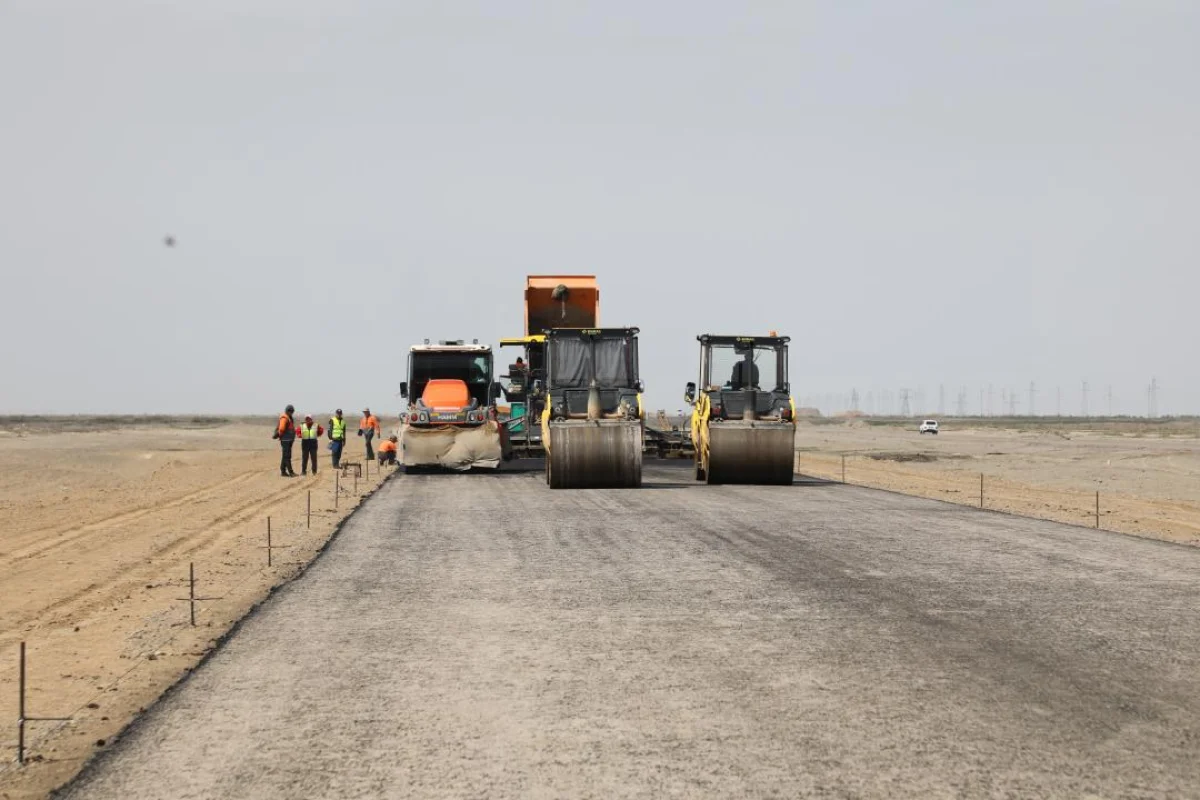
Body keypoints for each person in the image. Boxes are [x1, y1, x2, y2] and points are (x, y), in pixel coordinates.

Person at [272, 404, 297, 477]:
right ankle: (291, 472)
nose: (291, 412)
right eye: (290, 411)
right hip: (285, 440)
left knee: (285, 456)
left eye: (292, 411)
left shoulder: (289, 418)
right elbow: (282, 429)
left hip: (288, 440)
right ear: (287, 411)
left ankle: (283, 471)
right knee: (287, 456)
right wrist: (278, 434)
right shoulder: (284, 418)